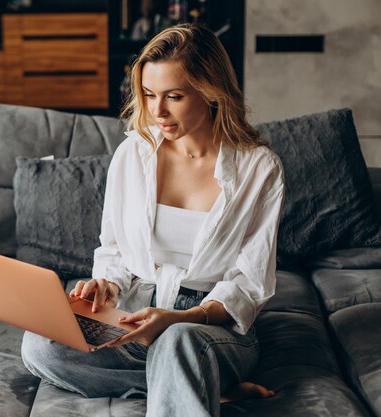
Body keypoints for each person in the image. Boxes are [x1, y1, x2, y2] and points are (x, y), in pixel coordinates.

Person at [21, 23, 284, 417]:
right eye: (148, 94)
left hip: (209, 327)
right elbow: (113, 248)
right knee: (41, 345)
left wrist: (181, 317)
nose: (157, 111)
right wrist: (106, 286)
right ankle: (205, 385)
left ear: (211, 91)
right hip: (135, 316)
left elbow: (249, 286)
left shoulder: (259, 168)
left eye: (173, 97)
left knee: (177, 342)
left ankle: (193, 370)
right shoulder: (134, 155)